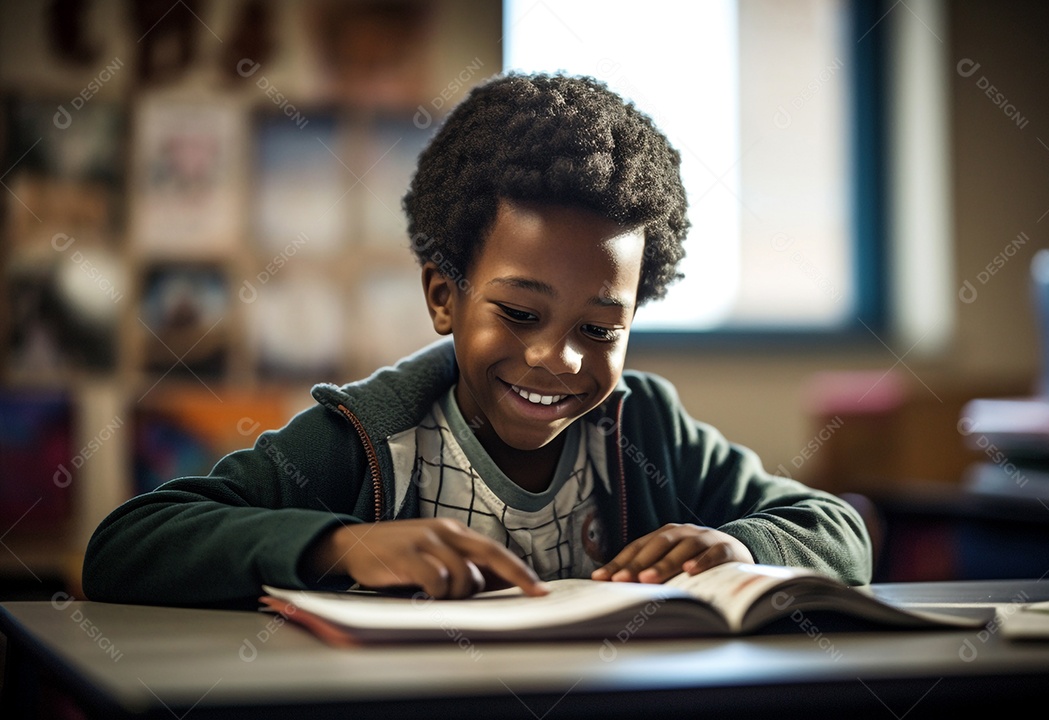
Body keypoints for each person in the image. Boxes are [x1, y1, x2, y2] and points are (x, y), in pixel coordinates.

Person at [82, 72, 872, 608]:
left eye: (600, 330)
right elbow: (126, 545)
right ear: (443, 297)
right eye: (521, 314)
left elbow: (841, 533)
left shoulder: (649, 430)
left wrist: (738, 549)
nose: (557, 359)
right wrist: (340, 544)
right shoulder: (365, 438)